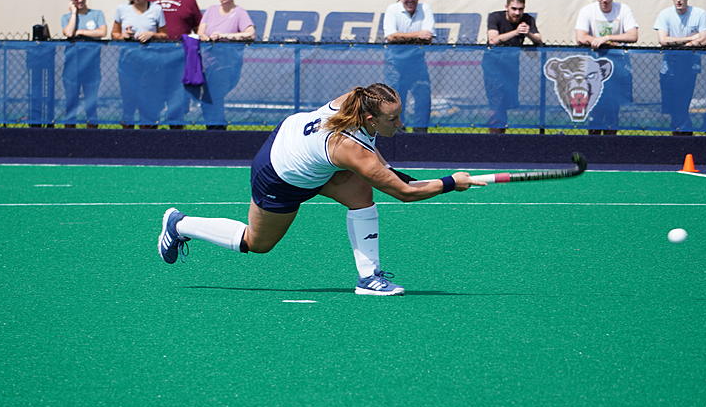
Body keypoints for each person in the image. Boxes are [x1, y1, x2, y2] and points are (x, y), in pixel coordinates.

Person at [157, 83, 487, 296]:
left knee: (361, 197)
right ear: (371, 118)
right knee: (256, 243)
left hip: (300, 144)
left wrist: (392, 172)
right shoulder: (351, 149)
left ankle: (369, 278)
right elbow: (405, 191)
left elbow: (381, 167)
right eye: (393, 119)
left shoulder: (356, 100)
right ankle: (179, 224)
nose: (400, 124)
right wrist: (450, 183)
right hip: (280, 174)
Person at [575, 0, 639, 135]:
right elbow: (580, 37)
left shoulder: (623, 9)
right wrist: (596, 40)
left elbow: (633, 35)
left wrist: (607, 38)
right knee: (594, 108)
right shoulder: (587, 11)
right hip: (593, 68)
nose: (604, 0)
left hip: (617, 67)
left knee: (612, 110)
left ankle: (611, 148)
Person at [146, 0, 203, 129]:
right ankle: (147, 137)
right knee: (152, 101)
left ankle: (176, 140)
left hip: (179, 60)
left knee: (177, 102)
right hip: (152, 58)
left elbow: (199, 27)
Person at [653, 0, 706, 134]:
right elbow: (663, 40)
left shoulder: (699, 14)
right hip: (669, 68)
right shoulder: (664, 15)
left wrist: (680, 45)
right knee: (672, 109)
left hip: (689, 67)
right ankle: (678, 136)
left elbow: (705, 40)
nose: (679, 0)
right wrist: (690, 40)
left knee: (683, 105)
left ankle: (685, 137)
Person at [197, 0, 256, 130]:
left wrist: (225, 36)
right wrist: (206, 37)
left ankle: (217, 130)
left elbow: (250, 34)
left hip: (227, 65)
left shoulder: (239, 12)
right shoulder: (211, 10)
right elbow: (201, 31)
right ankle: (215, 129)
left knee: (214, 96)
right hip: (207, 63)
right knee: (208, 99)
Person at [111, 0, 167, 129]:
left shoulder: (156, 9)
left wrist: (152, 35)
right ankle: (127, 140)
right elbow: (114, 34)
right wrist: (124, 36)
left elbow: (164, 35)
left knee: (149, 103)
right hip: (128, 64)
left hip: (151, 64)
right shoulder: (122, 9)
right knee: (129, 102)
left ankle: (148, 140)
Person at [483, 0, 544, 134]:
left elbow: (539, 40)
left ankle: (502, 138)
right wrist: (516, 32)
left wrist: (528, 33)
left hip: (511, 67)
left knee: (506, 104)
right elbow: (493, 40)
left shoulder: (527, 19)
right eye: (514, 9)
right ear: (506, 7)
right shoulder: (495, 17)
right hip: (493, 66)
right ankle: (494, 140)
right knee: (496, 103)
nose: (517, 13)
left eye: (520, 9)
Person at [382, 0, 435, 133]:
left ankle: (420, 134)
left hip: (417, 62)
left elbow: (429, 37)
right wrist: (418, 35)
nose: (410, 0)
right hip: (395, 62)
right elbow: (391, 36)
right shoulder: (392, 9)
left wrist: (402, 37)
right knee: (396, 100)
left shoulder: (425, 8)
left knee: (423, 98)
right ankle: (398, 133)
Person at [60, 0, 106, 128]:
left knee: (91, 104)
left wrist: (81, 32)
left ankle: (91, 136)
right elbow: (68, 33)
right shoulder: (66, 17)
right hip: (72, 66)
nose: (80, 1)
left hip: (91, 66)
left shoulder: (97, 14)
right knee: (71, 102)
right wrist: (74, 13)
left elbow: (102, 32)